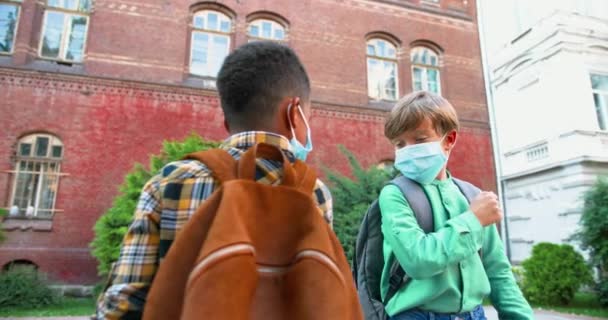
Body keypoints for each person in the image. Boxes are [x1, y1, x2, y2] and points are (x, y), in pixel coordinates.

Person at [95, 41, 333, 319]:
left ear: (227, 123)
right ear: (295, 114)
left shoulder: (172, 181)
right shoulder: (314, 193)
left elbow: (123, 305)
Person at [379, 91, 533, 320]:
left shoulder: (473, 196)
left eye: (419, 139)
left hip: (474, 315)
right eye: (399, 144)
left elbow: (498, 270)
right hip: (415, 316)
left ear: (449, 139)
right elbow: (418, 261)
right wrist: (473, 220)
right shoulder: (394, 194)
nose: (407, 150)